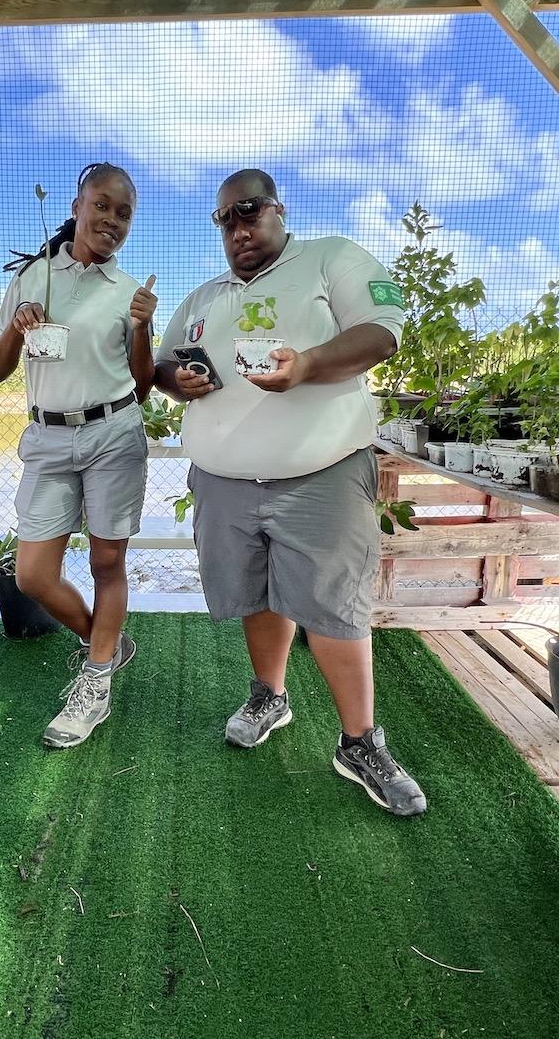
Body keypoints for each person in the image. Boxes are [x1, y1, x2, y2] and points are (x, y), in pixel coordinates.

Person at [153, 168, 427, 816]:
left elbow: (385, 330)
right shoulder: (202, 299)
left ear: (278, 209)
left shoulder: (330, 258)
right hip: (225, 483)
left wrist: (305, 364)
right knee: (257, 592)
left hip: (322, 474)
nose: (238, 227)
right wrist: (176, 379)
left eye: (249, 211)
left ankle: (359, 741)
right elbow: (163, 365)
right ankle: (269, 697)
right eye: (224, 218)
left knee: (336, 607)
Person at [0, 162, 158, 749]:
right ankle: (104, 646)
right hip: (47, 438)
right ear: (79, 204)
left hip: (114, 433)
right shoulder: (34, 277)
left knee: (107, 564)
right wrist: (17, 326)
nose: (111, 219)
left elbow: (140, 383)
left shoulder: (127, 292)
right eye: (103, 205)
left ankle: (93, 681)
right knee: (33, 573)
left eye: (124, 213)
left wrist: (143, 327)